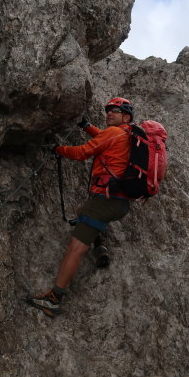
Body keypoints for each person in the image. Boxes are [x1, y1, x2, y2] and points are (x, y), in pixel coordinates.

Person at [28, 97, 135, 317]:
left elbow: (82, 153)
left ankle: (54, 299)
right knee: (82, 212)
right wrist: (86, 126)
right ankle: (101, 244)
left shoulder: (113, 133)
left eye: (115, 111)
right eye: (108, 111)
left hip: (104, 200)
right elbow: (102, 137)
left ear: (126, 116)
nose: (109, 114)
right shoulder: (127, 135)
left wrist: (59, 149)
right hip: (121, 202)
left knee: (75, 248)